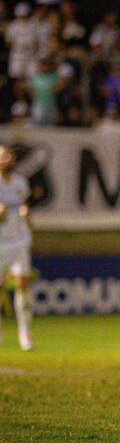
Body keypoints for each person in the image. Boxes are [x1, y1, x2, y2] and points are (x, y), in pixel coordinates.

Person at [0, 146, 33, 351]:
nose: (7, 158)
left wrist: (27, 213)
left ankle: (25, 332)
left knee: (22, 284)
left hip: (20, 240)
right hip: (0, 243)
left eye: (9, 155)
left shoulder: (20, 182)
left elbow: (24, 205)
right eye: (2, 156)